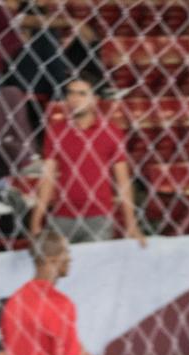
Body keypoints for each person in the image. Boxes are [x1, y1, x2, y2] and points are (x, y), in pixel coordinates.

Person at [0, 231, 114, 355]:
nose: (70, 258)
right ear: (51, 260)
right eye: (66, 252)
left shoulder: (14, 301)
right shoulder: (60, 305)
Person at [30, 77, 142, 246]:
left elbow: (123, 180)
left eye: (82, 94)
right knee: (58, 261)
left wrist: (131, 224)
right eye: (71, 93)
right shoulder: (56, 131)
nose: (75, 98)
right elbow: (47, 179)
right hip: (62, 214)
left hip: (98, 217)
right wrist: (36, 221)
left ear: (95, 99)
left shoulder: (111, 132)